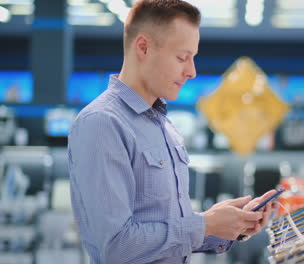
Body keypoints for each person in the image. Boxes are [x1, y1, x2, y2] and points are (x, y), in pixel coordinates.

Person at [67, 0, 278, 263]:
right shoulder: (102, 123)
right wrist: (204, 224)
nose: (191, 71)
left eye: (193, 58)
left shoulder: (162, 125)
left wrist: (229, 226)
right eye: (182, 57)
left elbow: (167, 238)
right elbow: (117, 247)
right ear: (143, 47)